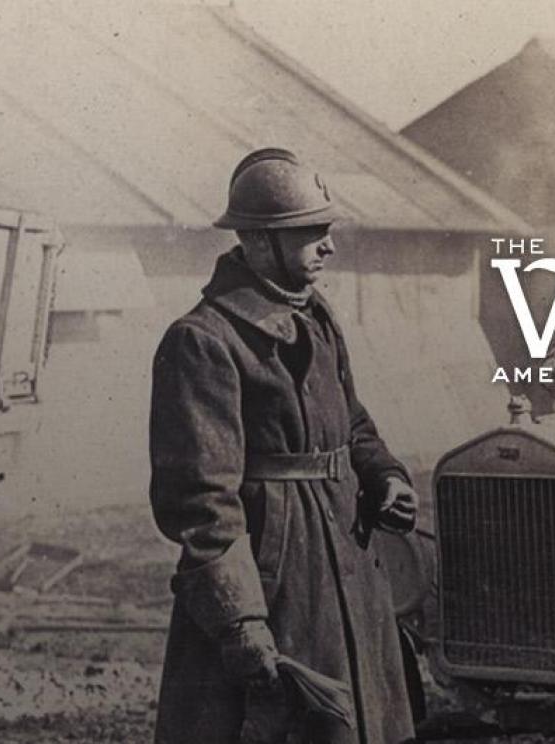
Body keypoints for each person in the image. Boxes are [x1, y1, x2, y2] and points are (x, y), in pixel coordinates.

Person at [149, 148, 420, 744]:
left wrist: (385, 477)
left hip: (347, 565)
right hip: (276, 584)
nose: (328, 246)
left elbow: (352, 423)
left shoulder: (316, 317)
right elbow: (202, 502)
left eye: (327, 230)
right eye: (311, 233)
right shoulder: (201, 341)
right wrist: (241, 623)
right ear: (260, 242)